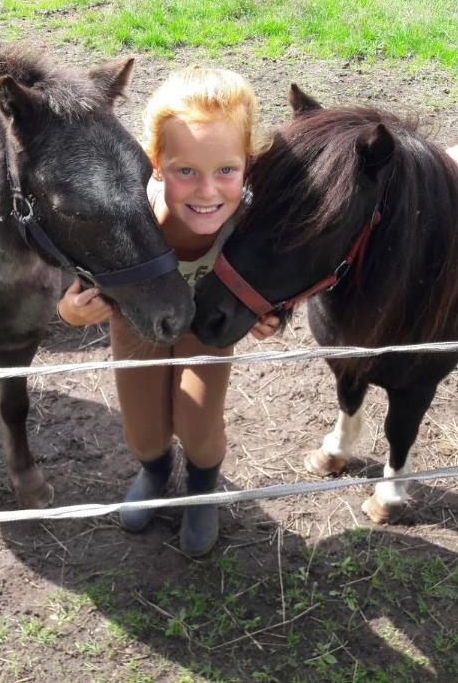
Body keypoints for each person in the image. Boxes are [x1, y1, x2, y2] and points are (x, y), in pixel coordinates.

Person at [57, 66, 279, 557]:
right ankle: (155, 473)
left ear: (247, 162)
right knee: (142, 428)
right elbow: (78, 282)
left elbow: (278, 279)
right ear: (155, 163)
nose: (206, 191)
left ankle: (202, 487)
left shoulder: (251, 222)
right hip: (137, 322)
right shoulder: (129, 215)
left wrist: (270, 316)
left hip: (208, 324)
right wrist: (72, 312)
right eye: (186, 171)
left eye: (226, 170)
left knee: (199, 425)